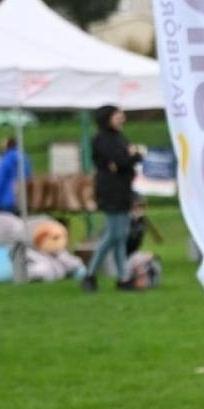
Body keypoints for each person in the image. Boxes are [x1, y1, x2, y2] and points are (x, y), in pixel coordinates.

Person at [83, 105, 142, 292]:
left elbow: (126, 160)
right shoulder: (102, 139)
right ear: (107, 118)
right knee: (114, 234)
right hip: (110, 190)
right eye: (117, 115)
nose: (121, 118)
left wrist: (131, 156)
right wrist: (130, 156)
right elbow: (123, 160)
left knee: (120, 235)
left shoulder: (118, 138)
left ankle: (123, 277)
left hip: (122, 189)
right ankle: (90, 274)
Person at [0, 136, 31, 214]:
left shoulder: (5, 160)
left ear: (7, 146)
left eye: (2, 145)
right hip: (22, 199)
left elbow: (0, 182)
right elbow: (29, 176)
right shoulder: (24, 157)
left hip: (6, 200)